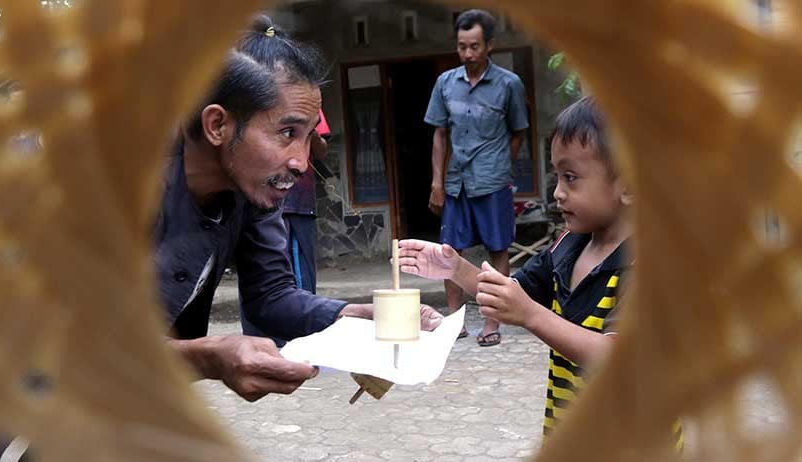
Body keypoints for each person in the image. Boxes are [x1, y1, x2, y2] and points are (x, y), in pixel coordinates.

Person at [160, 18, 443, 403]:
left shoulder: (250, 191)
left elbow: (271, 294)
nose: (301, 162)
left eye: (308, 137)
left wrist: (354, 316)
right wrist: (208, 357)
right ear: (217, 125)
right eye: (287, 133)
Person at [400, 96, 639, 438]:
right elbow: (513, 293)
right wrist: (454, 267)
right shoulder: (569, 245)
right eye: (557, 176)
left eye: (571, 177)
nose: (557, 192)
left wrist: (532, 315)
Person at [424, 9, 529, 347]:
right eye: (461, 46)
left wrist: (499, 166)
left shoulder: (508, 84)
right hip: (455, 182)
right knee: (448, 252)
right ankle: (455, 321)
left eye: (474, 46)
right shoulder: (445, 83)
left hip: (492, 182)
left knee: (497, 249)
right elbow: (439, 135)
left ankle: (491, 322)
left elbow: (518, 133)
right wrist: (437, 182)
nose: (467, 54)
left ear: (490, 46)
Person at [280, 109, 330, 293]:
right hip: (263, 202)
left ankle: (303, 320)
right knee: (269, 269)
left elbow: (321, 151)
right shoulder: (261, 95)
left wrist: (311, 132)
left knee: (302, 274)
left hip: (299, 200)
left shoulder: (308, 103)